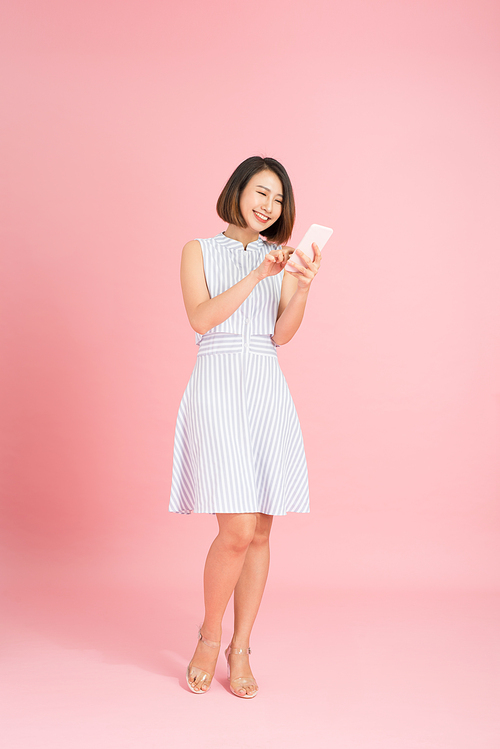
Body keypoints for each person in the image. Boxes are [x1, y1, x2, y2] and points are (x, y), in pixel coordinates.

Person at [168, 156, 321, 698]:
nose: (269, 207)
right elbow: (201, 318)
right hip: (217, 385)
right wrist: (258, 274)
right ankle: (210, 637)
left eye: (278, 200)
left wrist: (299, 286)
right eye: (261, 193)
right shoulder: (199, 250)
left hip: (264, 388)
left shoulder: (277, 257)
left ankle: (241, 646)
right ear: (236, 191)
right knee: (234, 528)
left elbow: (280, 335)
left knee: (260, 529)